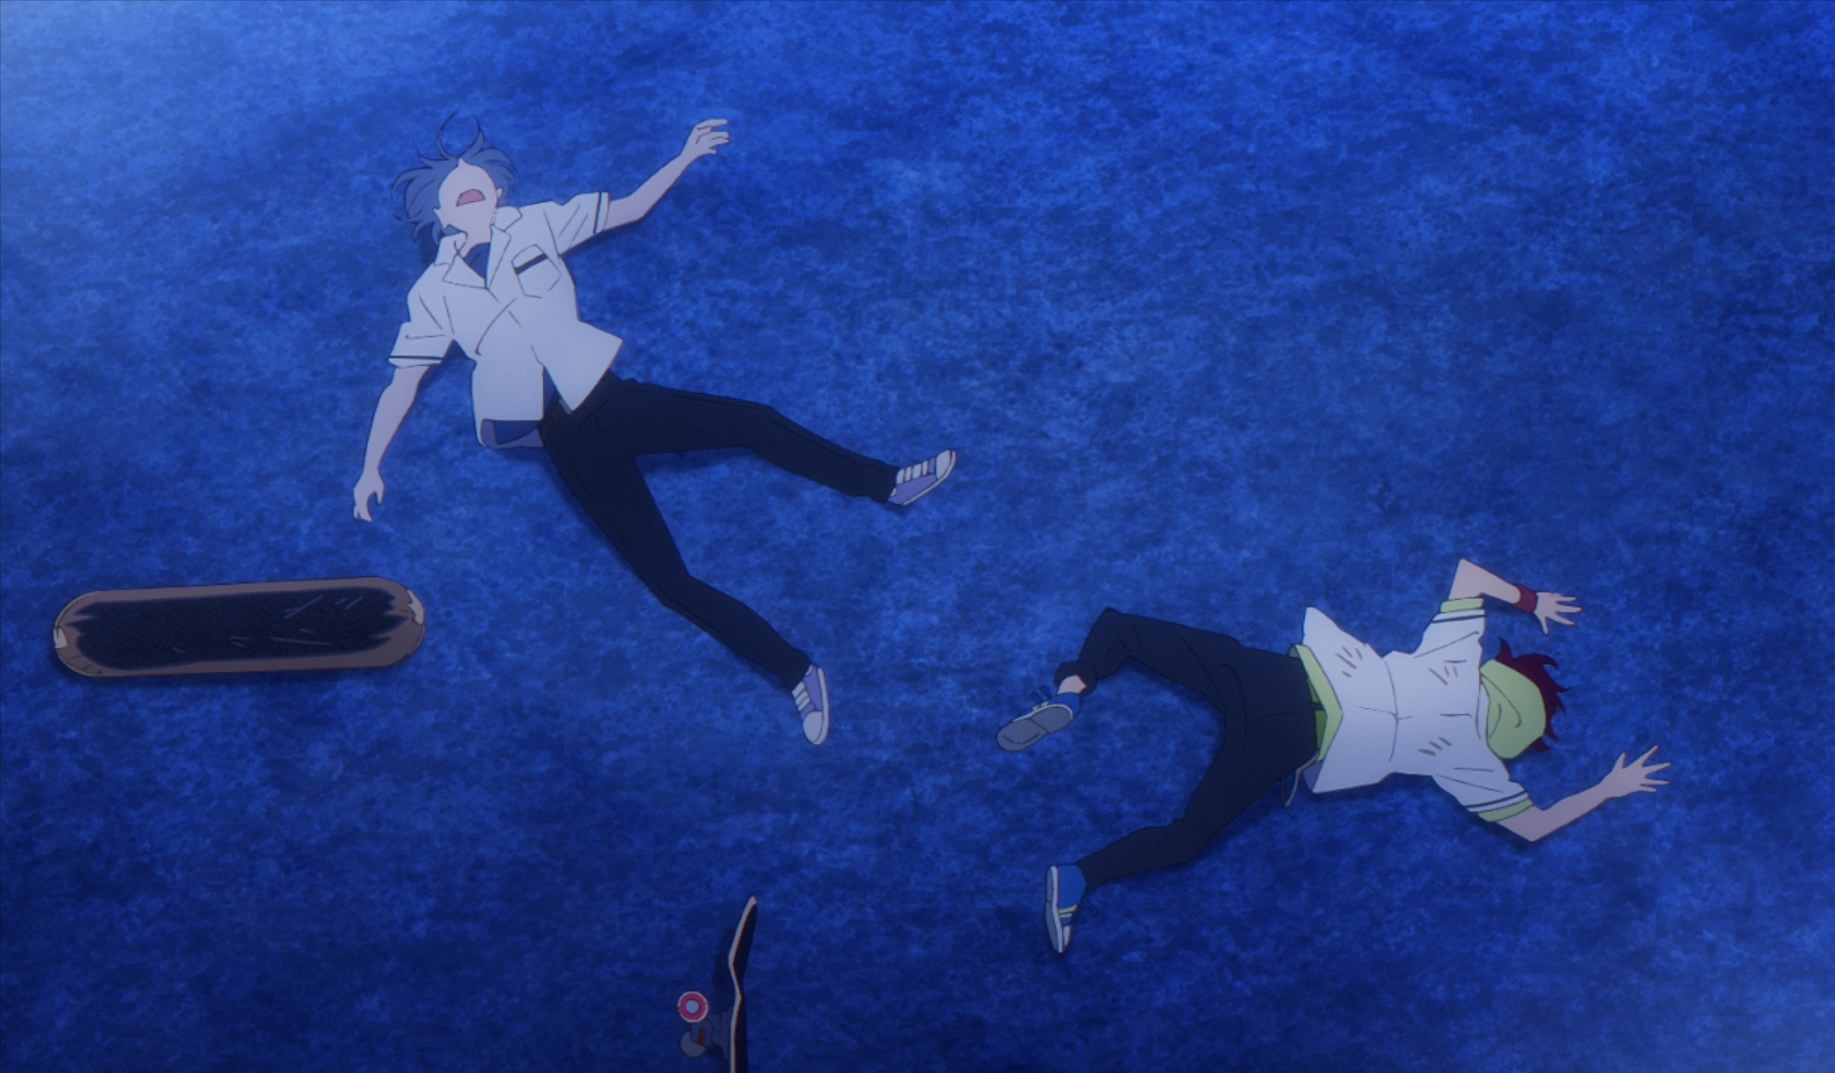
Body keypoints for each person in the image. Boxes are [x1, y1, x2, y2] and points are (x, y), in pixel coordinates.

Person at [354, 119, 956, 744]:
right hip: (562, 442)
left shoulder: (536, 223)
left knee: (751, 423)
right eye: (455, 192)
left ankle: (886, 484)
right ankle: (796, 672)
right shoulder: (433, 292)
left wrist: (685, 155)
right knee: (668, 581)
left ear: (499, 193)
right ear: (440, 215)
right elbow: (403, 382)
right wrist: (371, 466)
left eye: (478, 182)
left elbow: (630, 207)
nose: (468, 187)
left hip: (611, 400)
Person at [999, 559, 1669, 954]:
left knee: (1124, 629)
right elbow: (1535, 825)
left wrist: (1532, 600)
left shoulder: (1457, 658)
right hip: (1288, 744)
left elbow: (1469, 573)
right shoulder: (1472, 761)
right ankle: (1077, 877)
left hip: (1283, 678)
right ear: (1513, 739)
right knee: (1188, 836)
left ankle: (1074, 690)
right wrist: (1606, 789)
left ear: (1500, 677)